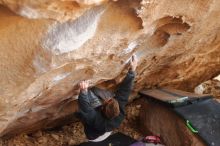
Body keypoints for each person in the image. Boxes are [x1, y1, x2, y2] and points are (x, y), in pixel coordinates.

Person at [77, 55, 138, 142]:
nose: (109, 98)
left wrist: (83, 91)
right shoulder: (119, 113)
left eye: (108, 100)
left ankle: (80, 114)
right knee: (96, 92)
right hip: (107, 130)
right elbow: (124, 92)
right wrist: (132, 71)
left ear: (102, 107)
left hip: (93, 136)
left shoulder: (97, 120)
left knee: (85, 103)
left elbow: (85, 108)